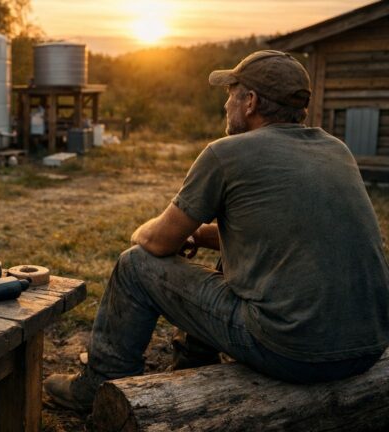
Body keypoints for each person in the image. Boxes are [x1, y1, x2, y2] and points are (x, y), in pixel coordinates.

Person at [44, 50, 389, 411]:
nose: (226, 103)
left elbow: (158, 242)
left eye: (231, 92)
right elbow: (275, 236)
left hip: (293, 351)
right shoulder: (336, 149)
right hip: (367, 346)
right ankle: (193, 365)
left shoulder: (226, 154)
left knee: (135, 265)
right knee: (228, 256)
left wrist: (149, 232)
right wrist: (199, 235)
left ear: (250, 101)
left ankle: (98, 387)